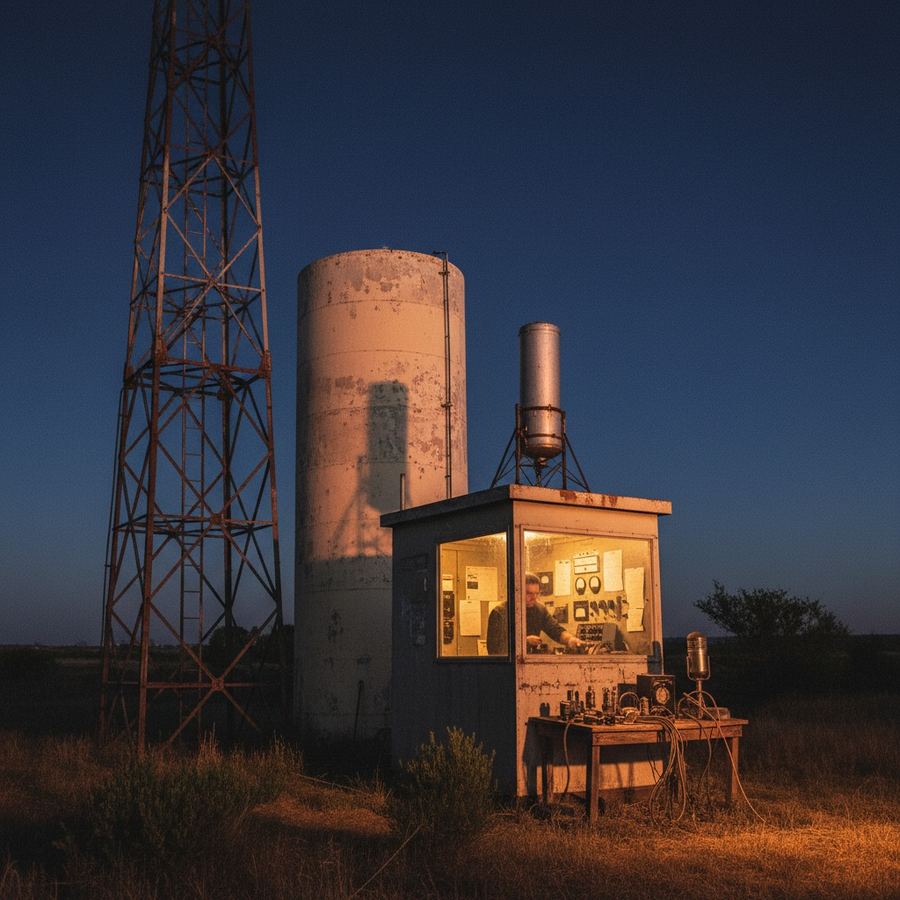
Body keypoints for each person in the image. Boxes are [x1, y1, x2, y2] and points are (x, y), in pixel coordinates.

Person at [487, 572, 584, 654]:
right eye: (529, 593)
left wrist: (570, 640)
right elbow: (495, 650)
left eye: (536, 593)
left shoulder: (540, 609)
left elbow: (555, 630)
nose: (534, 598)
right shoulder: (500, 613)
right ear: (516, 591)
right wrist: (525, 642)